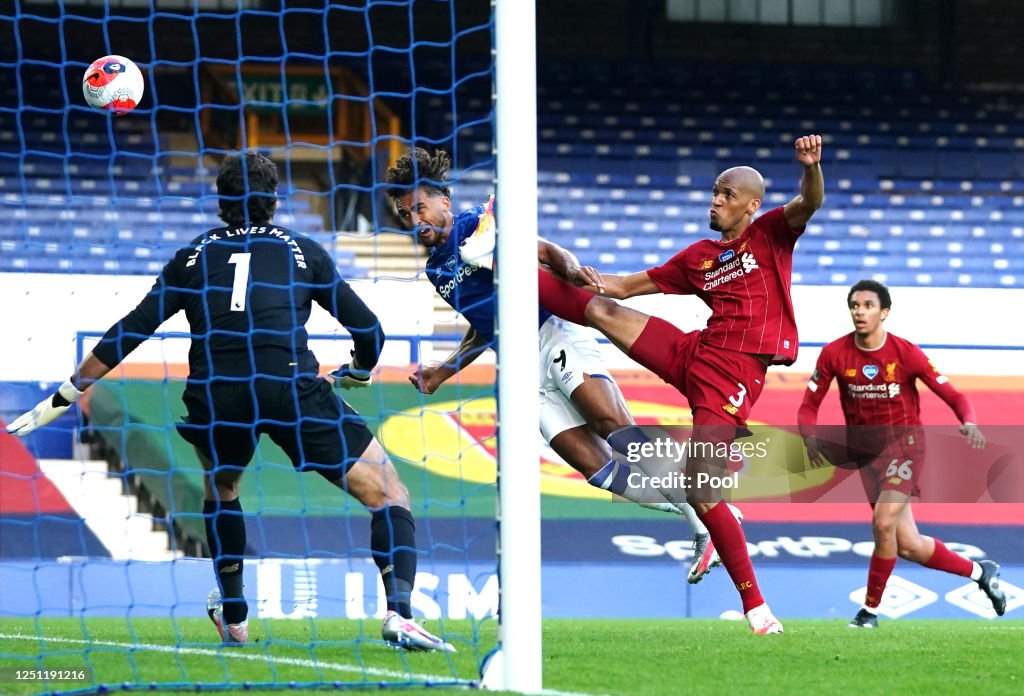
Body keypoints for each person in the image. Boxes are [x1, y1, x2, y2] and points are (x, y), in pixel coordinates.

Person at [6, 152, 454, 652]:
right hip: (287, 384)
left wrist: (69, 391)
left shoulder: (190, 256)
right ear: (275, 199)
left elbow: (132, 328)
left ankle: (235, 614)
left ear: (221, 203)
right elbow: (369, 328)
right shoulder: (303, 251)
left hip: (216, 392)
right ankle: (399, 613)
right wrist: (360, 369)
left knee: (222, 488)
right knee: (389, 494)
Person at [384, 147, 728, 584]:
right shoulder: (435, 269)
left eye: (420, 208)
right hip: (520, 368)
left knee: (614, 426)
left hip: (554, 333)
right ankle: (701, 516)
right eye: (405, 214)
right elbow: (484, 322)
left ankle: (709, 513)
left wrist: (572, 273)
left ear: (443, 201)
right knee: (596, 470)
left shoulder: (476, 225)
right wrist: (445, 369)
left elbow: (547, 251)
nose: (416, 221)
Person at [537, 135, 827, 634]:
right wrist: (570, 270)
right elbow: (622, 287)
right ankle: (504, 269)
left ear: (751, 205)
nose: (715, 199)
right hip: (695, 352)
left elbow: (811, 201)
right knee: (605, 312)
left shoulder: (772, 234)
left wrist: (811, 167)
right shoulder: (699, 257)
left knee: (703, 490)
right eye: (714, 192)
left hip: (733, 376)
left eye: (726, 194)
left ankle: (758, 611)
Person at [797, 279, 1006, 628]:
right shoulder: (834, 353)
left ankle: (869, 612)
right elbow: (809, 405)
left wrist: (968, 421)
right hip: (867, 456)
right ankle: (980, 572)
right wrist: (809, 437)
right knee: (907, 543)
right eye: (854, 305)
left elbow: (952, 394)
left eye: (867, 306)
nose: (859, 312)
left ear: (885, 312)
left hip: (905, 448)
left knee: (882, 522)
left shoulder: (906, 353)